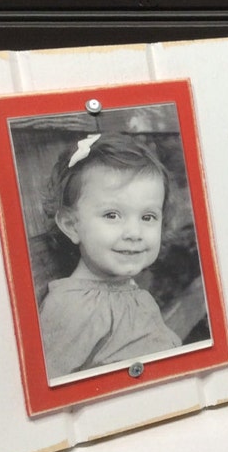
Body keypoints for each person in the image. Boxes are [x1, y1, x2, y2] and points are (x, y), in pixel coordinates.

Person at [37, 131, 181, 380]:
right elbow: (51, 385)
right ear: (71, 225)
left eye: (148, 217)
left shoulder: (125, 289)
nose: (134, 233)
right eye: (112, 215)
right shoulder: (73, 309)